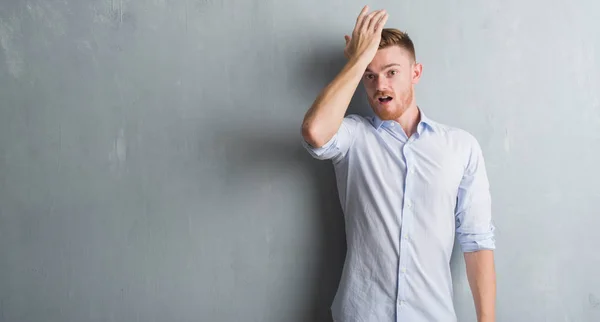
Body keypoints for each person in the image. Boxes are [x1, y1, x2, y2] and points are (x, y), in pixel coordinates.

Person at [300, 5, 496, 322]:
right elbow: (314, 132)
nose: (380, 86)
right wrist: (358, 59)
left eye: (391, 72)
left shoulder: (460, 146)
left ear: (415, 73)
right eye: (370, 76)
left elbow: (477, 242)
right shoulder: (353, 136)